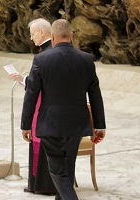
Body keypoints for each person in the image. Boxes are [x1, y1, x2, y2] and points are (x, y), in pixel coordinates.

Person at [20, 19, 106, 200]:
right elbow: (95, 95)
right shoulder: (86, 59)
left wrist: (26, 125)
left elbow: (31, 94)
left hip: (51, 123)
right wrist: (99, 125)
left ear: (52, 37)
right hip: (77, 124)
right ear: (71, 36)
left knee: (58, 171)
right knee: (67, 168)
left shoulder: (41, 59)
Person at [10, 18, 56, 195]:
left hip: (44, 109)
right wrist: (24, 80)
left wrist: (25, 124)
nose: (31, 38)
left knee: (42, 145)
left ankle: (41, 185)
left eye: (32, 34)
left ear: (42, 32)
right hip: (55, 109)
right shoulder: (52, 52)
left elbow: (38, 87)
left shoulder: (42, 55)